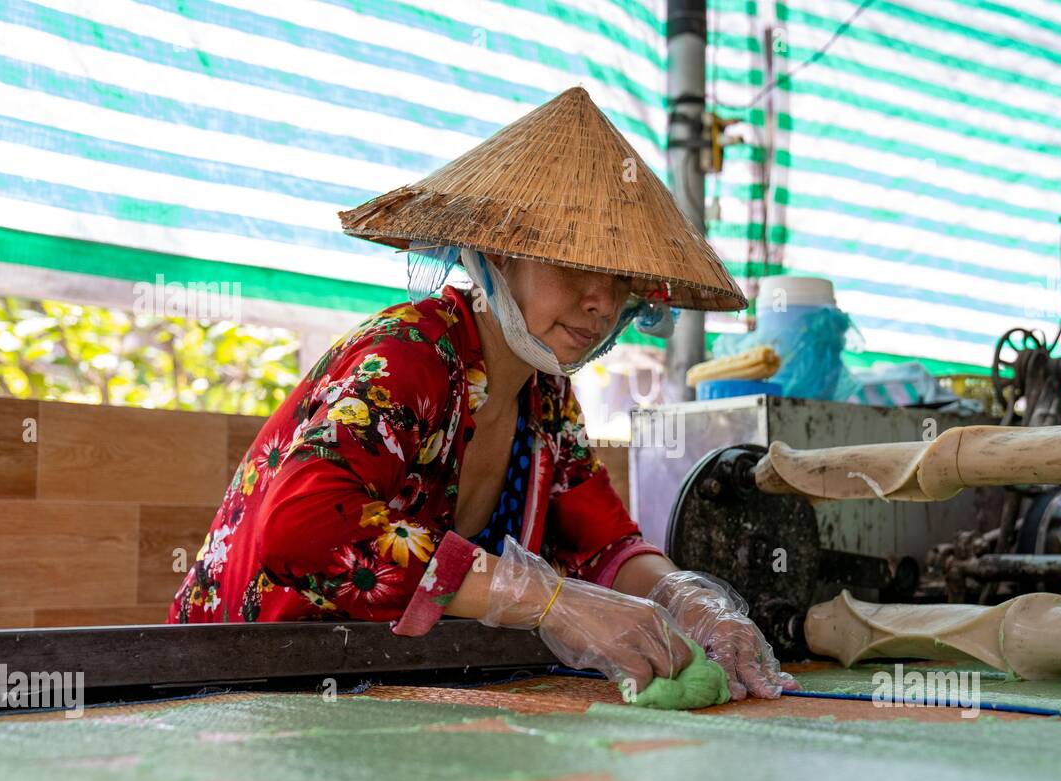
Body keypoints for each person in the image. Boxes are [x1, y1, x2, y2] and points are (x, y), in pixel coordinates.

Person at [169, 87, 796, 702]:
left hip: (378, 695)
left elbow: (605, 544)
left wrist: (688, 600)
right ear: (498, 254)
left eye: (619, 277)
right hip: (241, 688)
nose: (601, 301)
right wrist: (548, 600)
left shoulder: (545, 396)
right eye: (573, 263)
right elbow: (301, 531)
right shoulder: (407, 355)